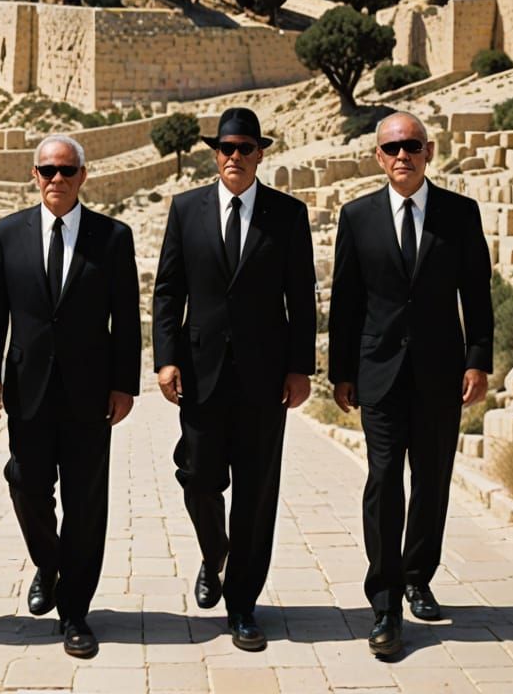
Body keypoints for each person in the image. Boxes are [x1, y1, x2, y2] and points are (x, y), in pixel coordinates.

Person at [328, 111, 493, 657]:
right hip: (378, 372)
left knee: (431, 480)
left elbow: (476, 293)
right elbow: (347, 300)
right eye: (393, 148)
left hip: (441, 373)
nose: (404, 155)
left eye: (413, 146)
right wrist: (341, 372)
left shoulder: (460, 214)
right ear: (378, 157)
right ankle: (385, 602)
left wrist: (478, 360)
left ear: (429, 152)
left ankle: (418, 576)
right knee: (382, 481)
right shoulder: (356, 216)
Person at [153, 107, 316, 652]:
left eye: (246, 148)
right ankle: (213, 552)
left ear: (260, 154)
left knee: (255, 492)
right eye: (227, 148)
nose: (236, 157)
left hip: (264, 377)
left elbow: (301, 297)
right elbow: (168, 291)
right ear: (215, 153)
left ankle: (243, 604)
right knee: (198, 477)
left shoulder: (287, 215)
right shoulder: (186, 210)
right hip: (200, 375)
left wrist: (300, 367)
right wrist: (166, 358)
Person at [0, 134, 140, 658]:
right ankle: (49, 563)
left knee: (86, 503)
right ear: (34, 175)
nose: (57, 179)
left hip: (90, 392)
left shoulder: (112, 237)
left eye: (67, 170)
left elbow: (126, 317)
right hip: (28, 389)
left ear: (83, 176)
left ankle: (75, 613)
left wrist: (124, 384)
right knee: (25, 484)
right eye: (47, 170)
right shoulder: (8, 233)